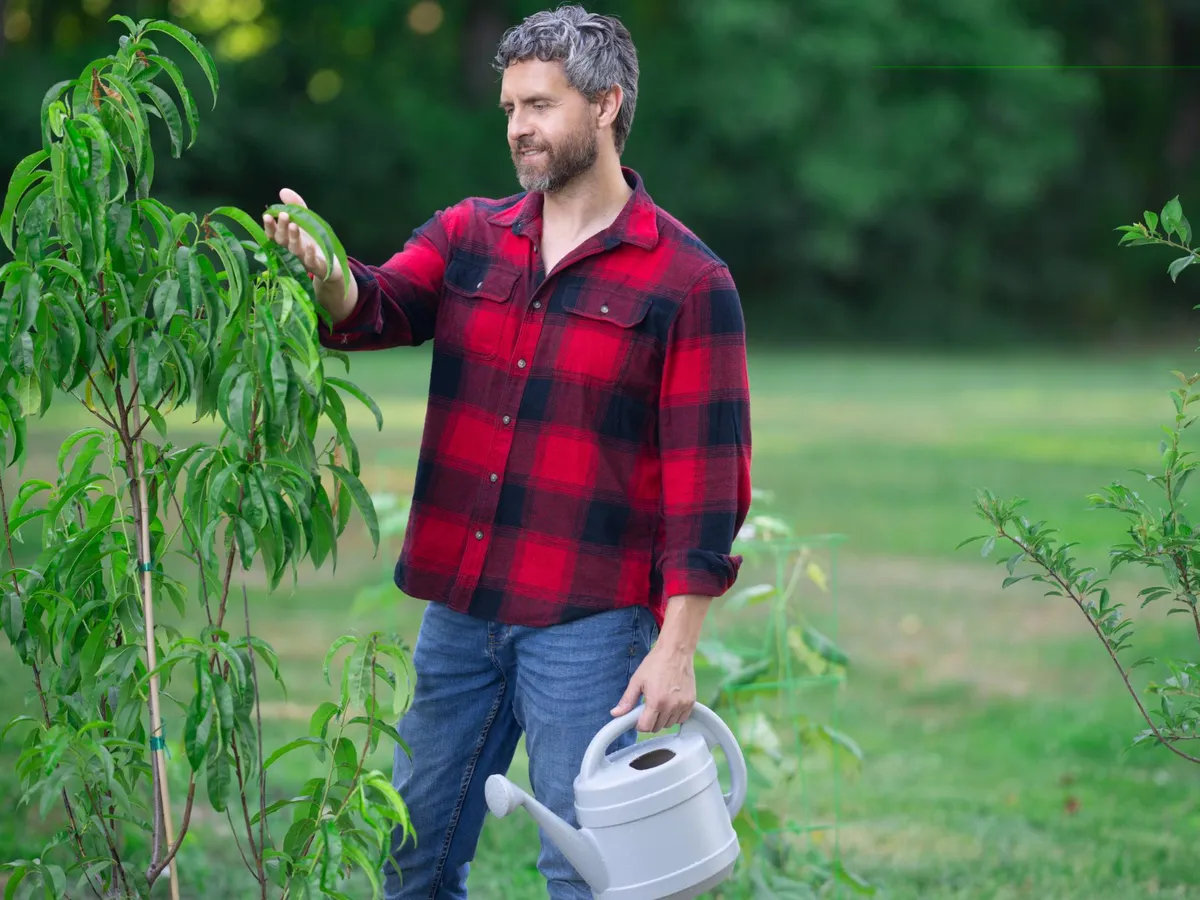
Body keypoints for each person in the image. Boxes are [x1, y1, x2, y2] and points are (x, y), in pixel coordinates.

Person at [262, 6, 752, 897]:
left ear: (606, 106)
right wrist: (326, 272)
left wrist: (676, 644)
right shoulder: (470, 235)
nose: (519, 127)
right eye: (509, 108)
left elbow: (707, 483)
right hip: (461, 614)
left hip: (590, 627)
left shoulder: (687, 280)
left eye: (540, 104)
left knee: (585, 871)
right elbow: (377, 306)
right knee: (412, 853)